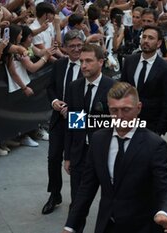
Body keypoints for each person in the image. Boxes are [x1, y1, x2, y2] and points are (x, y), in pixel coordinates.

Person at [62, 81, 167, 233]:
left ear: (138, 108)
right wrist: (70, 226)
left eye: (126, 110)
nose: (120, 116)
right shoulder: (98, 140)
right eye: (114, 110)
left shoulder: (154, 145)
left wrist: (163, 212)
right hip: (107, 225)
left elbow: (166, 188)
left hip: (142, 227)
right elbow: (86, 188)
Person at [63, 44, 116, 233]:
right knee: (77, 203)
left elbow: (115, 123)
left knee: (110, 203)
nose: (83, 65)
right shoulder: (74, 87)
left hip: (106, 154)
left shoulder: (113, 87)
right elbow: (72, 124)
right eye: (81, 61)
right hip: (80, 154)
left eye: (88, 61)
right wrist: (68, 155)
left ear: (101, 62)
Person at [42, 30, 84, 215]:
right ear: (65, 48)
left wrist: (74, 110)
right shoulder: (59, 65)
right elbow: (50, 87)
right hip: (59, 118)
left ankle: (77, 200)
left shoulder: (87, 65)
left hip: (78, 117)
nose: (76, 49)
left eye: (79, 45)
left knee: (75, 160)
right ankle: (54, 194)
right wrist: (54, 102)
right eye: (72, 46)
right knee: (53, 158)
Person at [120, 25, 167, 136]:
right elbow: (122, 90)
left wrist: (159, 129)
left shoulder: (166, 69)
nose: (146, 41)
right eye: (144, 37)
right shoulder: (129, 61)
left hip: (151, 127)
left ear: (159, 43)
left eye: (151, 38)